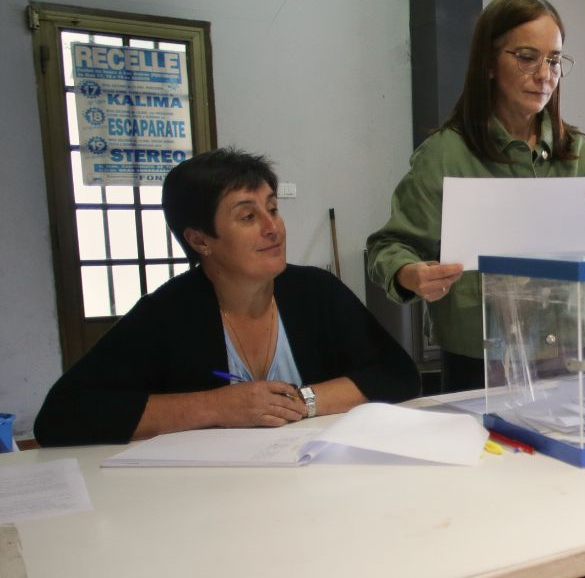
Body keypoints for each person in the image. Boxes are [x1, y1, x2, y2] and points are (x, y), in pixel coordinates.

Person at [34, 149, 422, 447]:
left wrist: (302, 401)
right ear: (200, 240)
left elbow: (397, 375)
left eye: (273, 208)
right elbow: (62, 417)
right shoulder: (168, 312)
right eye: (248, 217)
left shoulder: (316, 292)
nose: (274, 229)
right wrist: (219, 407)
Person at [367, 0, 585, 393]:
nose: (545, 74)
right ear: (489, 63)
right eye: (527, 57)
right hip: (481, 362)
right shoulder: (445, 154)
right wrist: (411, 274)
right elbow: (389, 246)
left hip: (571, 348)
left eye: (554, 60)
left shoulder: (581, 153)